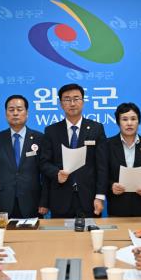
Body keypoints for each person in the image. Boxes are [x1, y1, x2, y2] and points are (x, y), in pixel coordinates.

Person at [39, 83, 108, 218]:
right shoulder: (51, 131)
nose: (72, 103)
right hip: (60, 198)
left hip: (89, 199)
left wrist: (100, 196)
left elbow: (102, 165)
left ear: (83, 102)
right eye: (67, 99)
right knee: (60, 232)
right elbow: (44, 162)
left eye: (76, 99)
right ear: (61, 104)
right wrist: (56, 173)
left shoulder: (96, 128)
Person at [0, 95, 48, 218]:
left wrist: (44, 201)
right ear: (6, 114)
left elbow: (45, 174)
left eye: (19, 109)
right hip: (4, 201)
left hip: (32, 200)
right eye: (11, 110)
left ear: (27, 113)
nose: (15, 113)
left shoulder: (39, 138)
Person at [106, 103, 141, 216]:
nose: (129, 123)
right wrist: (111, 186)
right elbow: (101, 173)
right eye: (124, 119)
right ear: (118, 122)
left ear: (139, 121)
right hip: (117, 208)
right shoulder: (107, 145)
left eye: (133, 119)